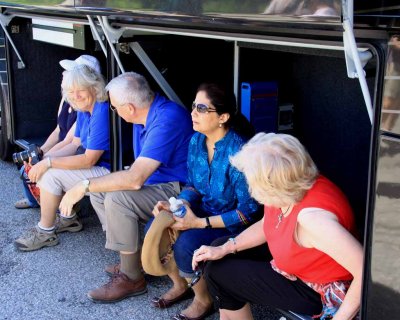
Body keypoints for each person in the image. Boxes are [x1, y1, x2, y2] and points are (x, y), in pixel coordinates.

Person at [193, 133, 363, 320]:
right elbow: (269, 223)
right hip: (298, 261)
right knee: (218, 249)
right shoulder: (290, 185)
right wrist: (226, 248)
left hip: (314, 289)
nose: (248, 186)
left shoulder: (314, 221)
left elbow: (364, 271)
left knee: (220, 273)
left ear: (270, 184)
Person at [58, 72, 194, 303]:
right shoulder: (143, 116)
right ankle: (133, 260)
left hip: (180, 189)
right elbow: (138, 173)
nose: (114, 111)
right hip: (159, 183)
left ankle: (132, 278)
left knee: (118, 199)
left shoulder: (166, 119)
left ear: (129, 108)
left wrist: (82, 185)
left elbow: (135, 179)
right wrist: (93, 187)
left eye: (114, 107)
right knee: (101, 192)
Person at [147, 83, 260, 320]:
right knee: (156, 226)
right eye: (193, 106)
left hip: (232, 224)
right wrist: (179, 204)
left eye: (201, 108)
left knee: (187, 243)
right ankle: (181, 284)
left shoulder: (240, 152)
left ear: (223, 117)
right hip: (203, 210)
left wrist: (198, 223)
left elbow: (247, 212)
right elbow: (192, 185)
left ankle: (203, 299)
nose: (193, 113)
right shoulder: (196, 141)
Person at [14, 57, 110, 252]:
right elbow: (75, 144)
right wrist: (42, 159)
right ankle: (67, 220)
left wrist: (49, 162)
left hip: (113, 170)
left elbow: (89, 159)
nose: (75, 96)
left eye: (80, 90)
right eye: (71, 91)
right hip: (96, 166)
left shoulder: (101, 109)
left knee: (50, 174)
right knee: (46, 169)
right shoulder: (84, 109)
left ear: (94, 86)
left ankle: (45, 232)